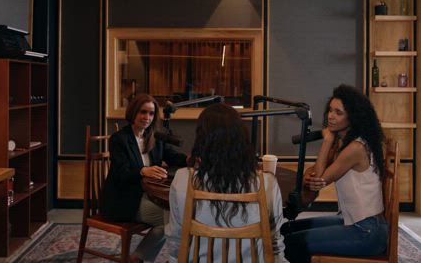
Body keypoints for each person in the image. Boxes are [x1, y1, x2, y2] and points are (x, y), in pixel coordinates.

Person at [166, 103, 288, 262]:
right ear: (243, 140)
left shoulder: (183, 179)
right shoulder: (267, 183)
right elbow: (275, 243)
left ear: (202, 141)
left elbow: (176, 240)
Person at [281, 84, 388, 262]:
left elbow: (319, 181)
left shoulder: (356, 147)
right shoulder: (345, 142)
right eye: (330, 110)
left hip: (367, 231)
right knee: (286, 230)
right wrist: (331, 143)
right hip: (351, 220)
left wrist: (327, 140)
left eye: (338, 113)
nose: (331, 116)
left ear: (353, 117)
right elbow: (316, 174)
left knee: (291, 242)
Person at [100, 93, 187, 262]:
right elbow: (121, 173)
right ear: (133, 112)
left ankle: (138, 258)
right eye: (143, 112)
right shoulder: (119, 139)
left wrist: (191, 160)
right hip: (122, 200)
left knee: (172, 217)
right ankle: (173, 257)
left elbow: (173, 157)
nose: (147, 117)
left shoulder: (154, 137)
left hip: (147, 196)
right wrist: (142, 171)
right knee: (172, 219)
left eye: (151, 113)